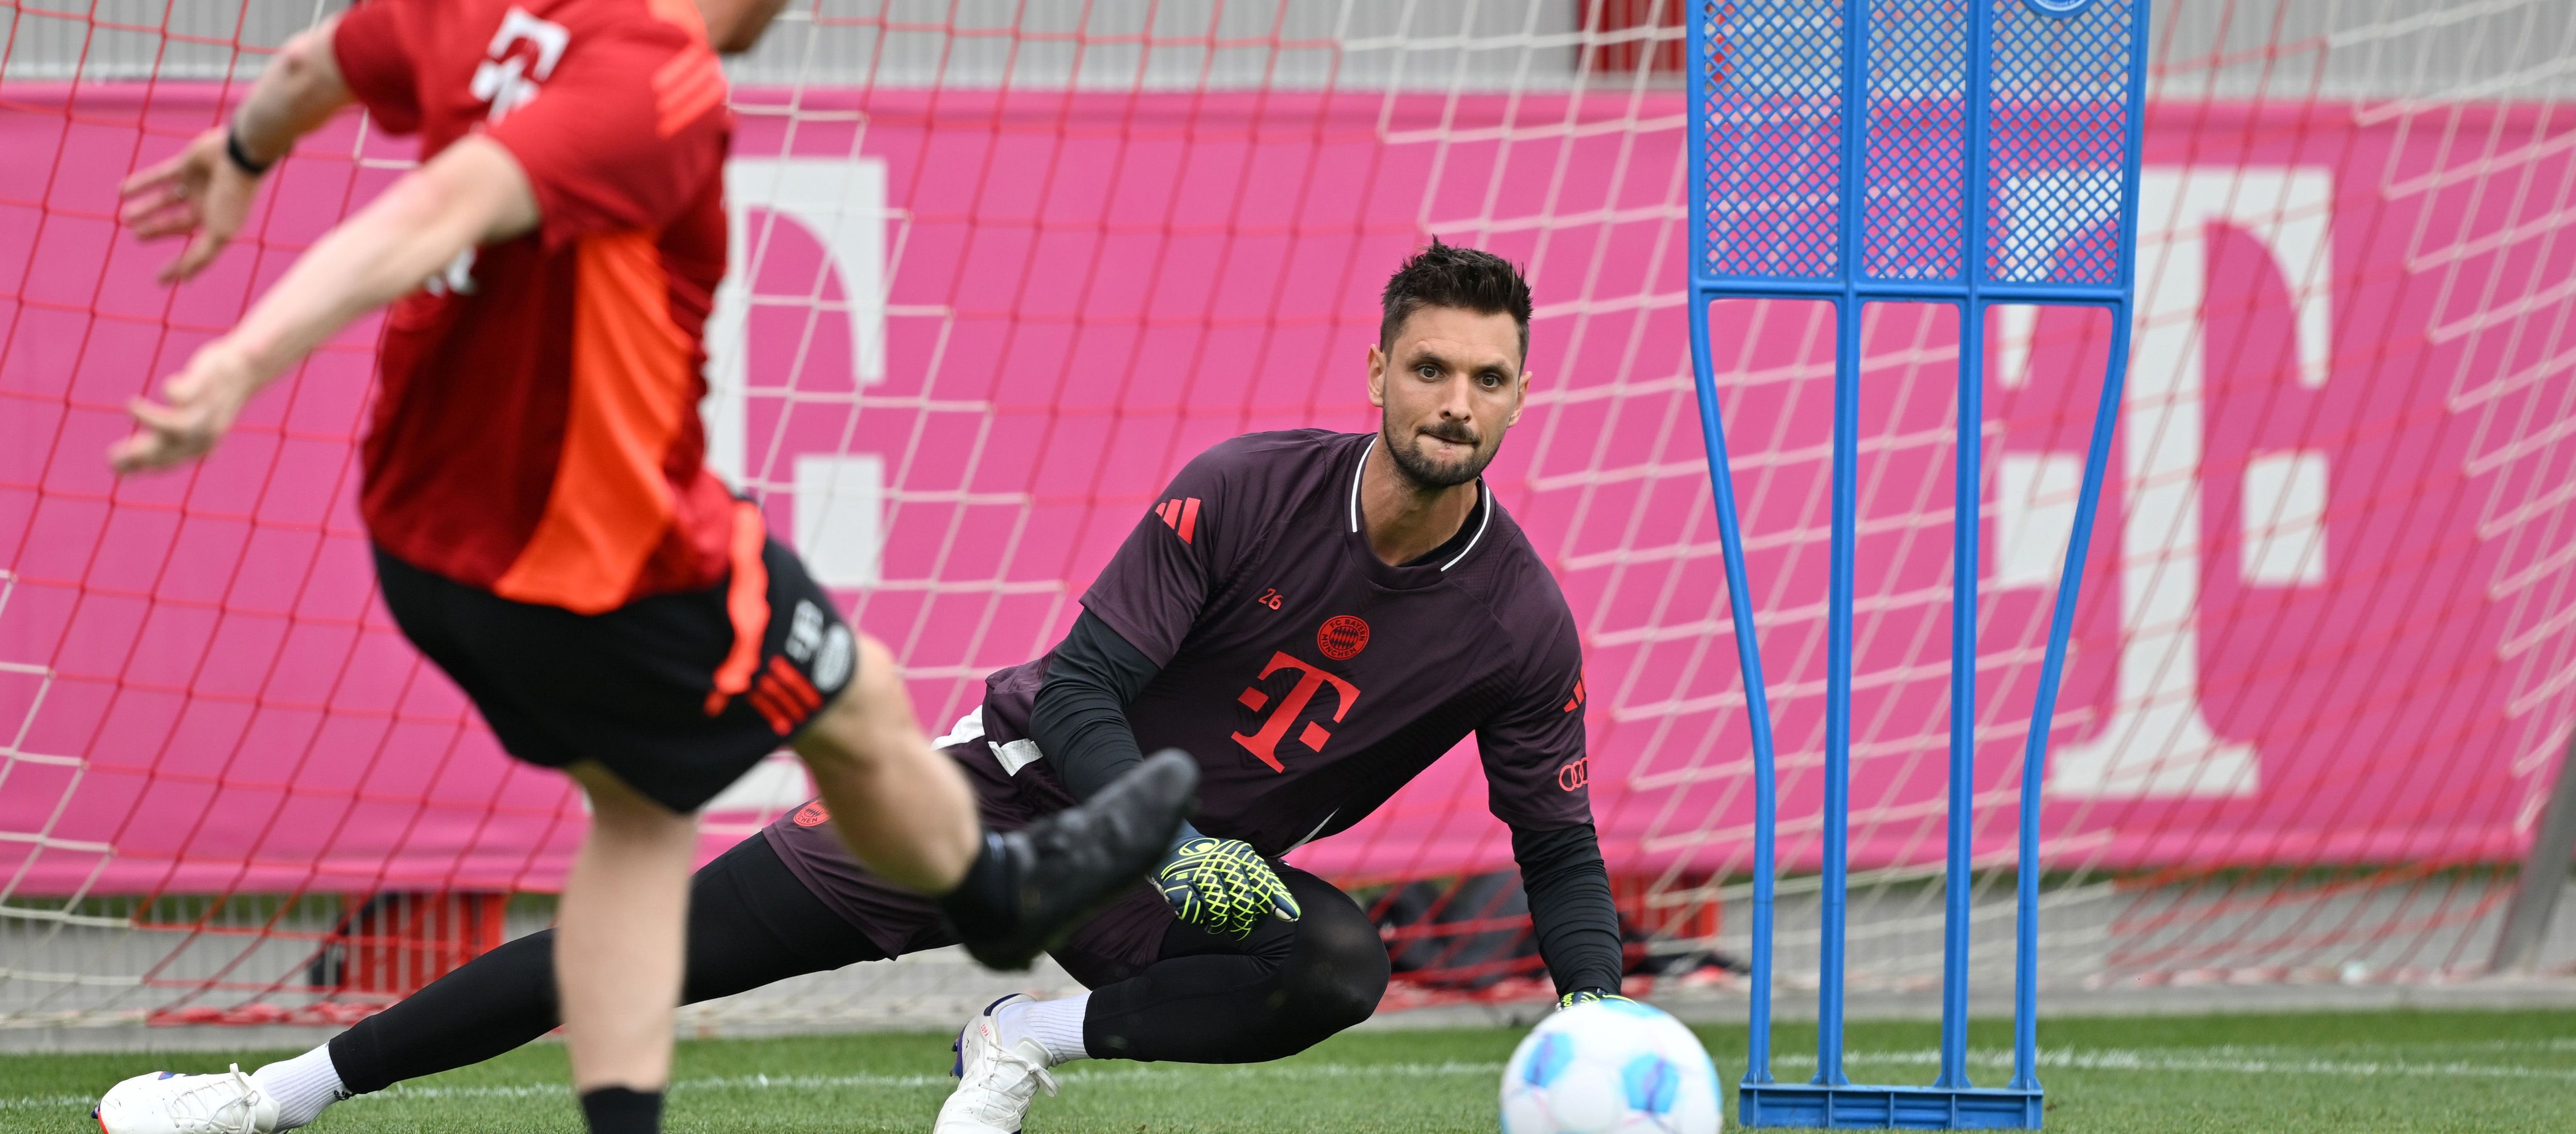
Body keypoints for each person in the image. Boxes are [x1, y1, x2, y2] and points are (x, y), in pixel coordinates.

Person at [90, 0, 1195, 1134]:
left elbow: (325, 63)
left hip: (426, 544)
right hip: (608, 555)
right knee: (847, 707)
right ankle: (1001, 899)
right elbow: (446, 202)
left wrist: (245, 154)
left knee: (662, 804)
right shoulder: (662, 81)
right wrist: (238, 364)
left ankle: (946, 923)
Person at [114, 242, 1628, 1134]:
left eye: (1488, 380)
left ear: (1520, 396)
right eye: (1432, 370)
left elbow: (1555, 844)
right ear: (1375, 372)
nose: (1456, 404)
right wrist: (1168, 838)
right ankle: (269, 1099)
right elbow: (1087, 693)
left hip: (1167, 894)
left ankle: (1023, 1039)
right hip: (986, 799)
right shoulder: (1243, 490)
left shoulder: (1518, 622)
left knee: (1337, 967)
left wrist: (1600, 1022)